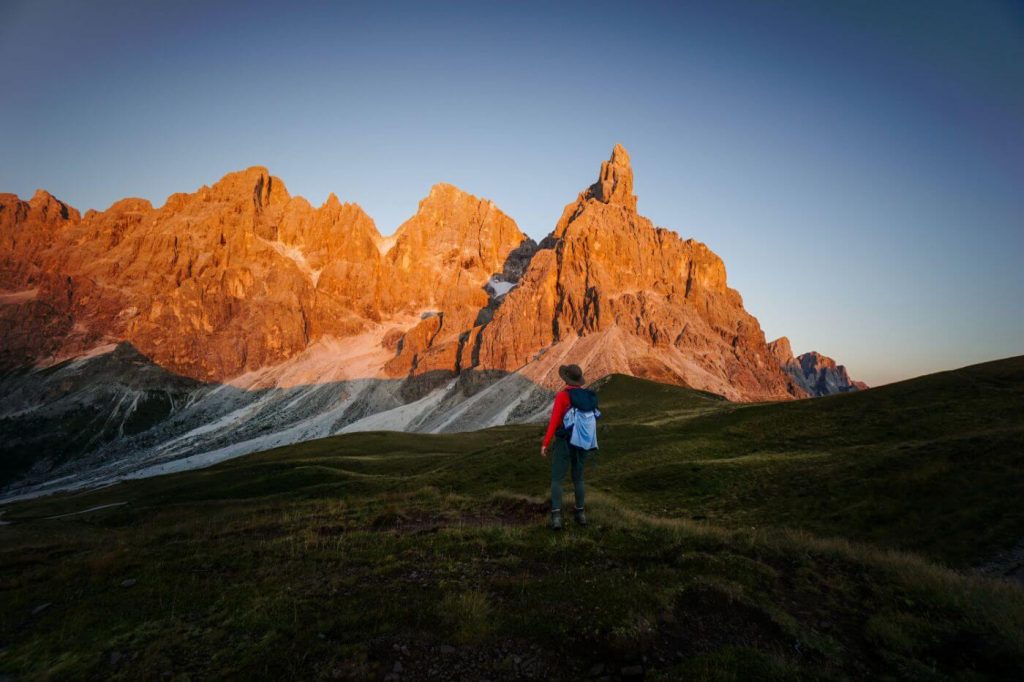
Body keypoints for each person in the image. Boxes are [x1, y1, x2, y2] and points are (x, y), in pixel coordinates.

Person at [541, 364, 591, 530]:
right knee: (578, 478)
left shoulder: (562, 396)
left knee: (557, 479)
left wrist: (545, 443)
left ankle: (556, 516)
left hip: (564, 441)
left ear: (566, 378)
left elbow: (554, 421)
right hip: (582, 442)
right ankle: (580, 514)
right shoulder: (586, 396)